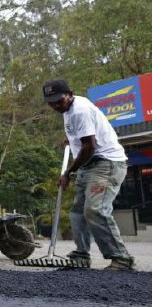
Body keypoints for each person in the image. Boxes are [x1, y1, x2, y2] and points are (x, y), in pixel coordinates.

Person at [43, 79, 135, 271]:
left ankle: (121, 258)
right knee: (77, 212)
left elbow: (90, 146)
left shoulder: (80, 110)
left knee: (95, 209)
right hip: (89, 165)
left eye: (59, 101)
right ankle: (81, 255)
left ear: (70, 94)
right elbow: (84, 136)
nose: (56, 105)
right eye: (51, 102)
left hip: (106, 164)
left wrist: (69, 172)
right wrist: (70, 140)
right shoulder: (68, 110)